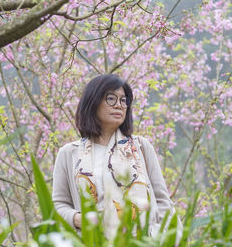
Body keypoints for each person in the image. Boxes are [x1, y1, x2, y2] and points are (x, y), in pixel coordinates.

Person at [51, 74, 174, 238]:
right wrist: (77, 219)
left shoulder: (140, 147)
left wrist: (160, 236)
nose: (119, 105)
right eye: (111, 99)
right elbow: (59, 204)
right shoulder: (69, 153)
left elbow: (162, 201)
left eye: (123, 100)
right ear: (93, 102)